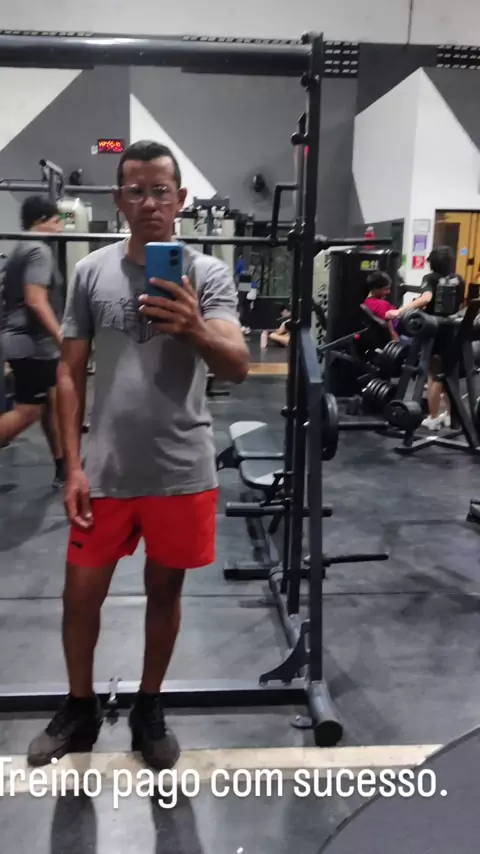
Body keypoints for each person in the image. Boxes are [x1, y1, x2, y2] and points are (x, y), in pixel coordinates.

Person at [26, 140, 250, 770]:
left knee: (165, 593)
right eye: (137, 191)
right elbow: (69, 373)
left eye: (161, 191)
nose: (150, 202)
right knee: (79, 596)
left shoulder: (206, 275)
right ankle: (80, 705)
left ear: (181, 200)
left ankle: (149, 706)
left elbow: (236, 364)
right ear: (119, 199)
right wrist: (72, 465)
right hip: (105, 470)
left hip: (181, 470)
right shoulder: (91, 272)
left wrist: (194, 326)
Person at [0, 196, 65, 485]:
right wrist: (61, 337)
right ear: (41, 221)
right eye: (57, 222)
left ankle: (62, 465)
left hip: (27, 341)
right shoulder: (39, 250)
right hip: (30, 343)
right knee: (29, 411)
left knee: (49, 403)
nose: (60, 228)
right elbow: (36, 301)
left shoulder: (21, 247)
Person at [386, 246, 464, 431]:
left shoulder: (430, 278)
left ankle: (433, 418)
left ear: (432, 263)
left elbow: (427, 298)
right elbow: (460, 303)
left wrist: (399, 311)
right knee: (449, 375)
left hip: (434, 330)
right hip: (452, 330)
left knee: (433, 375)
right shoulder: (459, 280)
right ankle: (451, 417)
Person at [363, 271, 399, 340]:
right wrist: (394, 337)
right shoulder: (382, 305)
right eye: (386, 289)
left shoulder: (367, 301)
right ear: (375, 288)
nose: (389, 292)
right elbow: (389, 322)